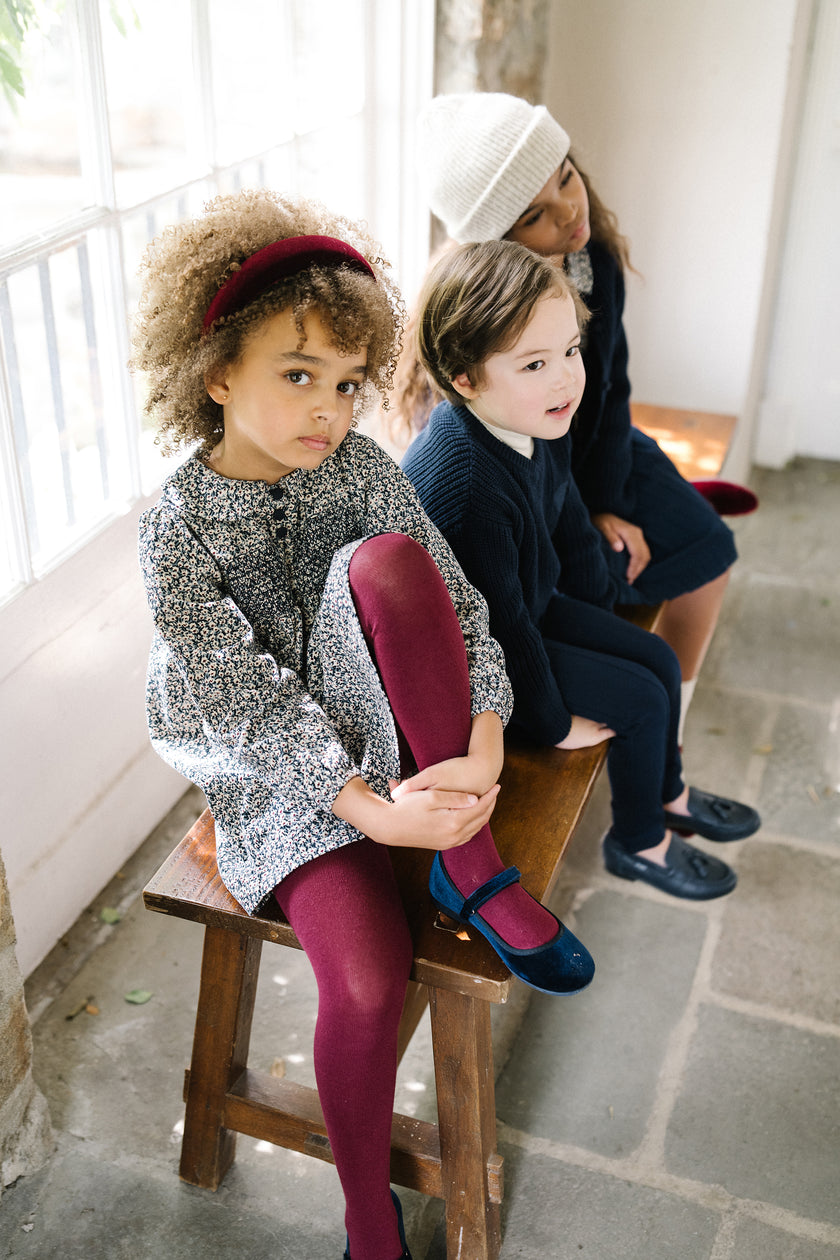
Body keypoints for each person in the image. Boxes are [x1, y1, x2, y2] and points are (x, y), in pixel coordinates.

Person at [131, 189, 596, 1260]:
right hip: (276, 770)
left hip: (392, 714)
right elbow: (246, 705)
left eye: (348, 384)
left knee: (392, 562)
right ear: (214, 375)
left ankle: (472, 870)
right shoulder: (176, 532)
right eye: (297, 377)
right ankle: (366, 1217)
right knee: (366, 980)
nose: (328, 412)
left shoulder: (357, 467)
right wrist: (370, 816)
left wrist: (483, 738)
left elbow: (455, 603)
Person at [402, 238, 761, 904]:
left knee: (653, 657)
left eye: (570, 352)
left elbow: (564, 512)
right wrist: (551, 722)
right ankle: (638, 842)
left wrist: (601, 605)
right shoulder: (466, 484)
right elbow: (501, 629)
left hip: (527, 609)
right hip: (472, 673)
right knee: (640, 699)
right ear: (465, 378)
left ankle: (668, 793)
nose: (566, 378)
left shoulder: (525, 417)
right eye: (535, 363)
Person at [400, 90, 756, 743]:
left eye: (566, 176)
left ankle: (670, 720)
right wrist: (577, 512)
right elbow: (488, 478)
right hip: (530, 487)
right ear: (498, 241)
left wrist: (610, 499)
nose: (569, 211)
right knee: (597, 570)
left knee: (710, 550)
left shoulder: (596, 261)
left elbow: (613, 385)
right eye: (536, 214)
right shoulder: (477, 326)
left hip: (594, 448)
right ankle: (629, 700)